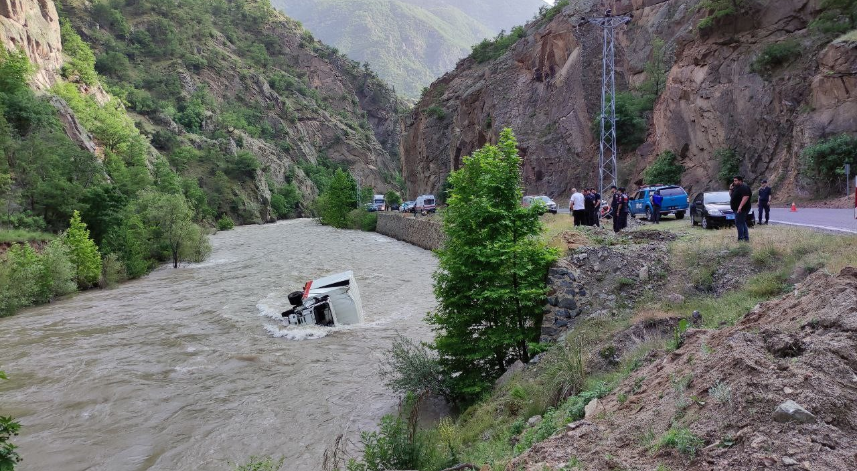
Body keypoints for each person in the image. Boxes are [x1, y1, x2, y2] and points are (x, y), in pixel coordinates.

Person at [730, 175, 752, 242]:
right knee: (742, 222)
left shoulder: (744, 187)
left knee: (738, 223)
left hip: (742, 208)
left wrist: (740, 206)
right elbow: (731, 195)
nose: (734, 182)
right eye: (734, 180)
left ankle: (741, 239)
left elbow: (746, 197)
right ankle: (746, 238)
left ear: (740, 181)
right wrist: (730, 189)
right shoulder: (736, 187)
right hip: (736, 208)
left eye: (736, 180)